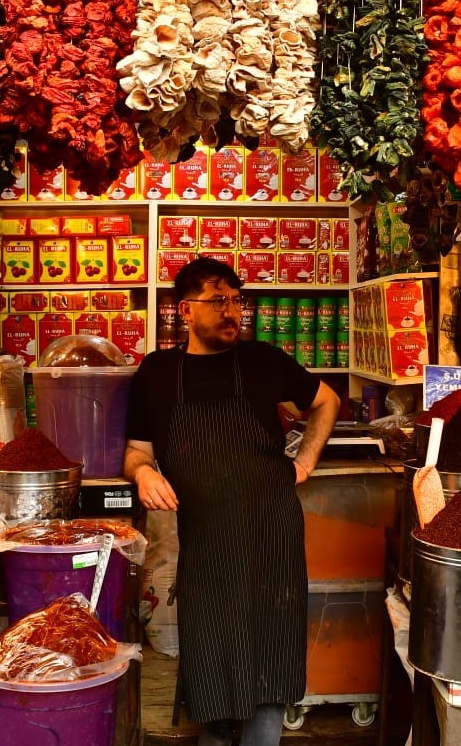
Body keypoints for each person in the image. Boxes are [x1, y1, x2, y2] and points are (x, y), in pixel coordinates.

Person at [123, 257, 341, 746]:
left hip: (271, 527)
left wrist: (305, 462)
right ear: (185, 310)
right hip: (205, 534)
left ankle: (262, 738)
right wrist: (142, 473)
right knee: (210, 638)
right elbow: (137, 450)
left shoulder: (264, 360)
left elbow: (326, 400)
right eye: (218, 300)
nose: (231, 311)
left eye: (237, 301)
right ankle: (218, 732)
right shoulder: (158, 372)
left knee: (271, 636)